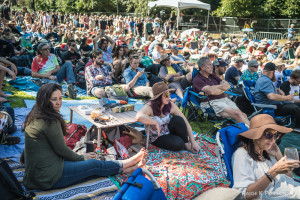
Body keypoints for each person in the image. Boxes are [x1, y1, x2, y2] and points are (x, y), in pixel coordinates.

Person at [20, 83, 147, 190]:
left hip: (36, 175)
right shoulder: (50, 121)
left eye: (60, 98)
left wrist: (23, 160)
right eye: (54, 99)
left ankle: (125, 169)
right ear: (45, 100)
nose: (59, 103)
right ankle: (128, 162)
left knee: (86, 168)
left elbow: (28, 147)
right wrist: (82, 157)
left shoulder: (35, 114)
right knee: (92, 164)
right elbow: (62, 150)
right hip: (48, 178)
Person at [232, 114, 300, 199]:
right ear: (254, 136)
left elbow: (289, 177)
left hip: (292, 191)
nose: (273, 140)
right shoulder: (242, 155)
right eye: (269, 135)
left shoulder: (268, 151)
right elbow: (245, 195)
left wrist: (278, 154)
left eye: (276, 135)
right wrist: (273, 172)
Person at [136, 82, 200, 153]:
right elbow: (139, 116)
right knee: (179, 144)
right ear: (159, 97)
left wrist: (193, 141)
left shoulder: (170, 105)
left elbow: (185, 122)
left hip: (168, 131)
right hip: (156, 137)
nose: (169, 97)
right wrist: (154, 122)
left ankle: (186, 144)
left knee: (179, 120)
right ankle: (182, 143)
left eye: (169, 94)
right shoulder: (150, 106)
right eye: (166, 95)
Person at [193, 57, 250, 125]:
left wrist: (217, 89)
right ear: (202, 67)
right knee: (237, 114)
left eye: (212, 64)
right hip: (211, 102)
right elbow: (211, 91)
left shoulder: (212, 76)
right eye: (209, 65)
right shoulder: (198, 79)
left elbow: (227, 85)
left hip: (224, 99)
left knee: (243, 114)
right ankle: (250, 133)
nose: (212, 66)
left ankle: (251, 131)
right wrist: (221, 88)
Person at [254, 62, 300, 127]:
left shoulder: (263, 79)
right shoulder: (265, 81)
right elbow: (271, 96)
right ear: (272, 72)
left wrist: (278, 89)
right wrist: (287, 97)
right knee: (294, 108)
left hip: (273, 105)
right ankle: (298, 127)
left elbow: (267, 88)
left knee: (297, 104)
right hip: (270, 108)